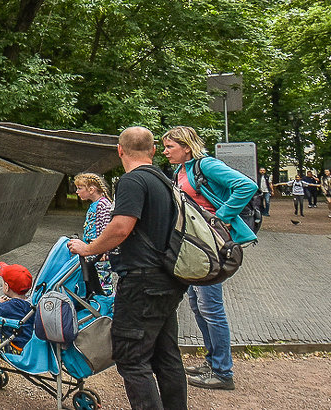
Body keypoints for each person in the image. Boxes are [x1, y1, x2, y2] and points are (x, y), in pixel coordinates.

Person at [67, 127, 188, 410]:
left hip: (141, 281)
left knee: (132, 358)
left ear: (120, 150)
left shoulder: (133, 181)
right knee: (166, 356)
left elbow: (121, 227)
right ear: (154, 150)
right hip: (167, 278)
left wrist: (88, 248)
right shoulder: (165, 180)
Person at [162, 126, 257, 392]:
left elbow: (246, 185)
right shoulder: (182, 171)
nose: (166, 151)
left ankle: (223, 372)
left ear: (186, 147)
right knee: (197, 304)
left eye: (170, 147)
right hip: (196, 246)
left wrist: (220, 216)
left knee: (211, 308)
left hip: (212, 245)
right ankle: (213, 362)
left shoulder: (206, 165)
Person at [75, 173, 114, 295]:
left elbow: (106, 228)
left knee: (103, 282)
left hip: (99, 253)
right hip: (93, 251)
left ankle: (105, 304)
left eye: (80, 188)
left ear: (91, 189)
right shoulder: (95, 204)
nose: (77, 191)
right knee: (94, 279)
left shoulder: (103, 204)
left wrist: (103, 249)